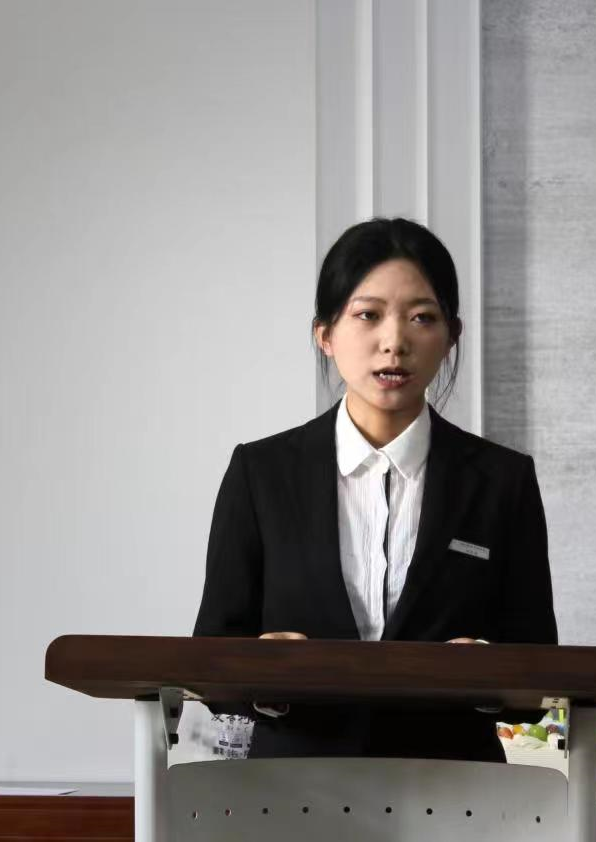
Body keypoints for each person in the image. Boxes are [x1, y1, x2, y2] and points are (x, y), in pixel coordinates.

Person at [193, 217, 556, 761]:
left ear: (451, 336)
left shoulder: (504, 480)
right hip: (293, 791)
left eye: (422, 317)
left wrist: (489, 673)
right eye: (368, 315)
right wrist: (261, 674)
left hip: (454, 789)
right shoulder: (261, 473)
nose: (394, 342)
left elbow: (541, 670)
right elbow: (209, 659)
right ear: (326, 334)